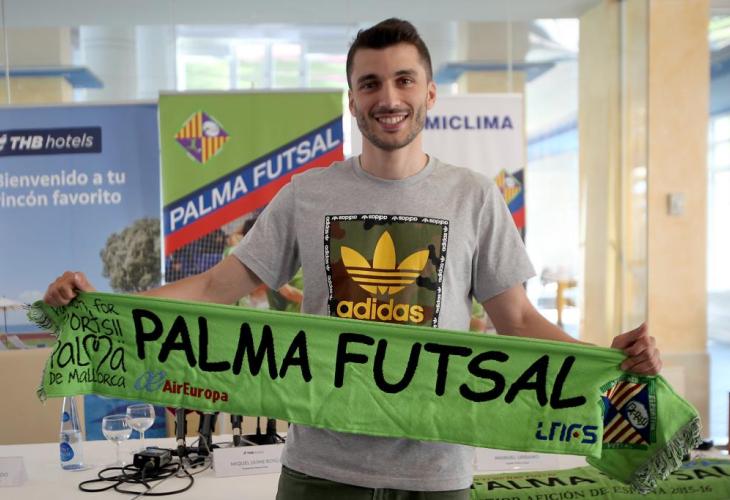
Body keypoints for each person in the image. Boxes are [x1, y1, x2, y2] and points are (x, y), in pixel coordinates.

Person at [44, 18, 661, 500]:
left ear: (429, 92)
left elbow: (518, 321)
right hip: (321, 471)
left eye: (404, 80)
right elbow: (213, 289)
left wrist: (608, 364)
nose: (388, 97)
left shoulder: (474, 197)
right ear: (352, 99)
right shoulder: (307, 194)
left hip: (435, 473)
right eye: (370, 84)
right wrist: (99, 306)